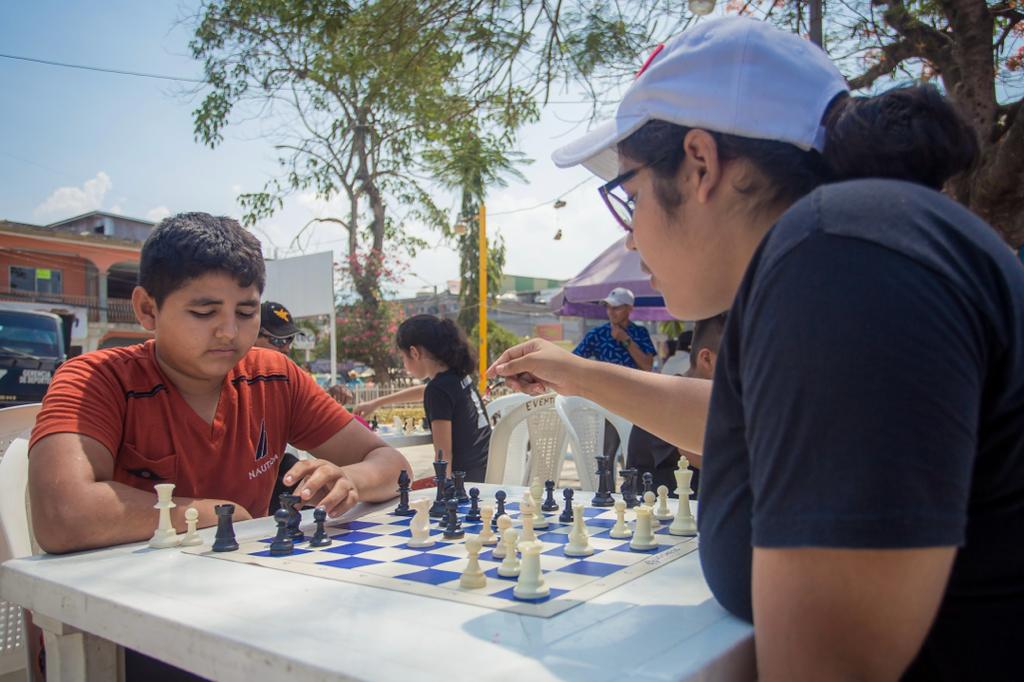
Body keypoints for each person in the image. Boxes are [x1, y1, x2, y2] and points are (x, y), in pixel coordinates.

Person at [488, 17, 1024, 680]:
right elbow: (754, 425)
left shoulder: (841, 257)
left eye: (630, 196)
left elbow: (830, 667)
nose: (631, 239)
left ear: (701, 163)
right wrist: (577, 373)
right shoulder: (847, 244)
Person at [28, 212, 410, 555]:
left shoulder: (275, 376)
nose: (229, 332)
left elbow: (393, 465)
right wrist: (212, 513)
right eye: (203, 312)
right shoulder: (96, 379)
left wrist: (350, 478)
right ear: (147, 308)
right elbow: (61, 513)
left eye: (246, 312)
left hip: (241, 590)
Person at [357, 315, 490, 481]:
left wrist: (442, 495)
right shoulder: (456, 377)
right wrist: (377, 403)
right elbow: (427, 391)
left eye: (403, 358)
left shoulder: (438, 390)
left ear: (414, 353)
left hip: (464, 483)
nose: (404, 365)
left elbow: (443, 454)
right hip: (485, 470)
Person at [626, 313, 725, 498]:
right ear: (706, 359)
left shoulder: (709, 400)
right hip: (655, 514)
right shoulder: (666, 400)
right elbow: (716, 460)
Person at [573, 287, 656, 371]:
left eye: (616, 307)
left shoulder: (641, 332)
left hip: (632, 384)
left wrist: (626, 340)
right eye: (608, 307)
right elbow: (572, 361)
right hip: (604, 383)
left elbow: (647, 367)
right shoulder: (597, 334)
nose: (610, 312)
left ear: (629, 309)